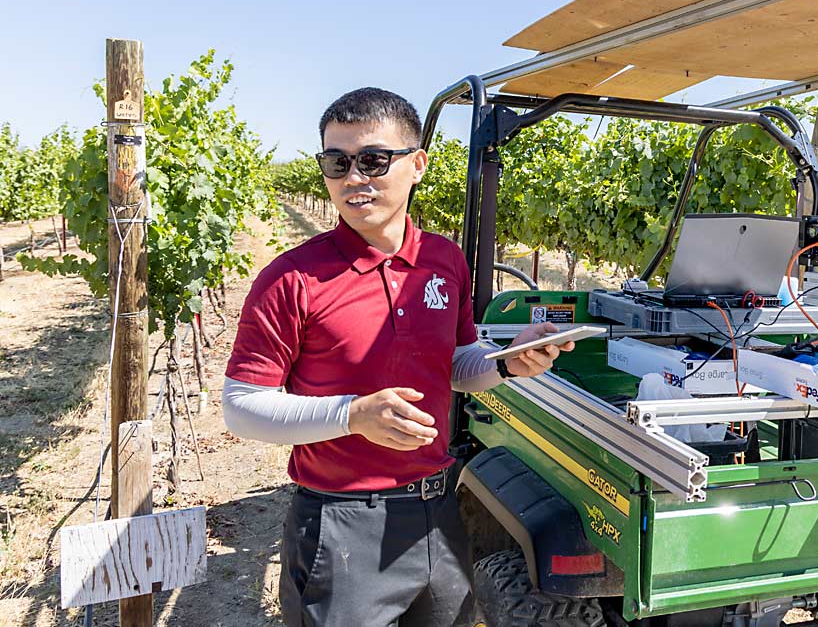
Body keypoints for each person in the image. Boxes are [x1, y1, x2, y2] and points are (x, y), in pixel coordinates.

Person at [222, 87, 572, 627]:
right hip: (340, 524)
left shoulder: (444, 260)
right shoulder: (290, 279)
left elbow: (457, 364)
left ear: (417, 165)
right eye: (336, 163)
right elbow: (241, 408)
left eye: (372, 160)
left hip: (440, 510)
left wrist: (506, 363)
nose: (353, 178)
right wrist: (351, 416)